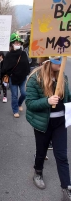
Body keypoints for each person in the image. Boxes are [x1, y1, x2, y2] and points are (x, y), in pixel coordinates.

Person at [26, 56, 71, 201]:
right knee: (41, 151)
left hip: (59, 124)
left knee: (62, 156)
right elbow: (30, 103)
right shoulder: (35, 79)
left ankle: (66, 187)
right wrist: (47, 101)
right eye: (59, 59)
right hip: (42, 123)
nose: (63, 61)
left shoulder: (62, 75)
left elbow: (68, 97)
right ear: (49, 61)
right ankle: (38, 173)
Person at [2, 33, 30, 118]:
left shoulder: (23, 53)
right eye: (16, 43)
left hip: (23, 78)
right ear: (12, 44)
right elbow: (5, 67)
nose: (18, 44)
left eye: (19, 43)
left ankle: (19, 103)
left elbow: (27, 65)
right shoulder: (9, 55)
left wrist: (27, 73)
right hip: (13, 78)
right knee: (14, 95)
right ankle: (15, 110)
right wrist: (9, 74)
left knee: (24, 93)